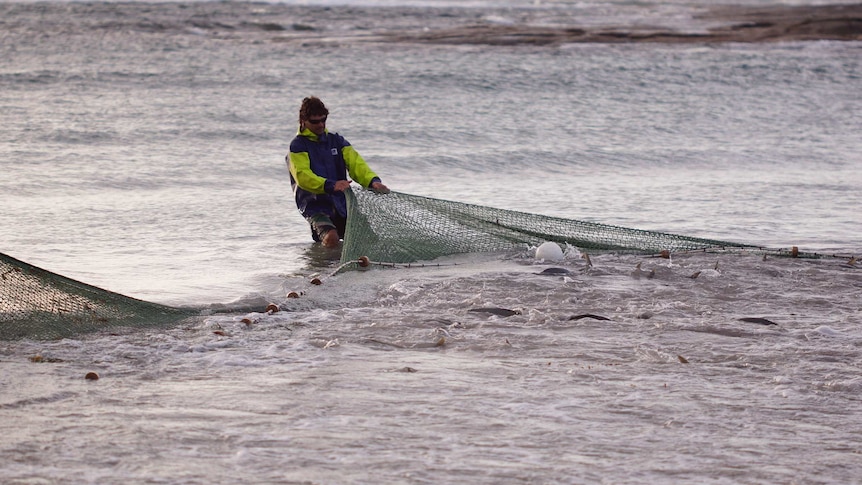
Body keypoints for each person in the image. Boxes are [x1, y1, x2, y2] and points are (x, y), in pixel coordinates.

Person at [286, 96, 389, 248]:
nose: (320, 124)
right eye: (315, 122)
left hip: (343, 203)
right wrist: (330, 185)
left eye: (323, 120)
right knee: (331, 237)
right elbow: (303, 176)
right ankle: (327, 267)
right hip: (315, 206)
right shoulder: (297, 146)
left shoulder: (337, 141)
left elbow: (357, 164)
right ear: (303, 121)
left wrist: (373, 181)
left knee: (368, 239)